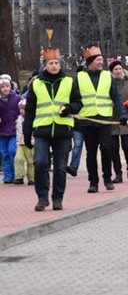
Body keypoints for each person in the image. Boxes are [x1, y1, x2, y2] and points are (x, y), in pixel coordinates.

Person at [22, 48, 82, 210]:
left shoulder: (69, 82)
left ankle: (57, 198)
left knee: (61, 167)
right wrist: (26, 132)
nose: (54, 66)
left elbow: (78, 104)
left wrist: (69, 108)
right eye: (51, 63)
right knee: (40, 162)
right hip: (42, 130)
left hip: (63, 131)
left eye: (56, 63)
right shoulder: (36, 84)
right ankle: (42, 197)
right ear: (45, 66)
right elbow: (30, 111)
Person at [76, 46, 127, 193]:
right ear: (91, 61)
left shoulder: (107, 76)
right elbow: (75, 98)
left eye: (101, 59)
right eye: (98, 59)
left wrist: (122, 114)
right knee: (91, 152)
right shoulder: (79, 77)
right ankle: (93, 182)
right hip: (87, 119)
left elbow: (116, 97)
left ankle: (107, 178)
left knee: (106, 148)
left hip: (104, 119)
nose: (101, 62)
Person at [106, 59, 128, 182]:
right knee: (113, 148)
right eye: (115, 69)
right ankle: (118, 173)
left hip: (127, 118)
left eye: (120, 68)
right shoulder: (108, 82)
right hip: (113, 119)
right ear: (112, 71)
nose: (118, 71)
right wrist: (110, 104)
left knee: (127, 146)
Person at [0, 76, 22, 183]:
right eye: (2, 87)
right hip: (2, 131)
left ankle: (15, 174)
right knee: (4, 154)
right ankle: (8, 176)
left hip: (14, 130)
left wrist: (20, 118)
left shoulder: (17, 98)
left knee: (11, 151)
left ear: (11, 87)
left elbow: (23, 108)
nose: (5, 89)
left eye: (7, 86)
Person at [14, 99, 34, 185]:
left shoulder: (33, 119)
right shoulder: (18, 119)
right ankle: (19, 176)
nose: (22, 111)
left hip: (30, 143)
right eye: (20, 109)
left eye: (24, 109)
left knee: (31, 161)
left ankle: (31, 178)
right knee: (18, 159)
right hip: (20, 142)